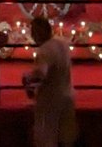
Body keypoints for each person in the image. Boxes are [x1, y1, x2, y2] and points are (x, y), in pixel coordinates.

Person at [24, 17, 77, 147]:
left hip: (50, 100)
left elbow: (40, 75)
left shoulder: (44, 51)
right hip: (67, 95)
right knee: (66, 138)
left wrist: (27, 80)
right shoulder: (63, 45)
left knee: (46, 138)